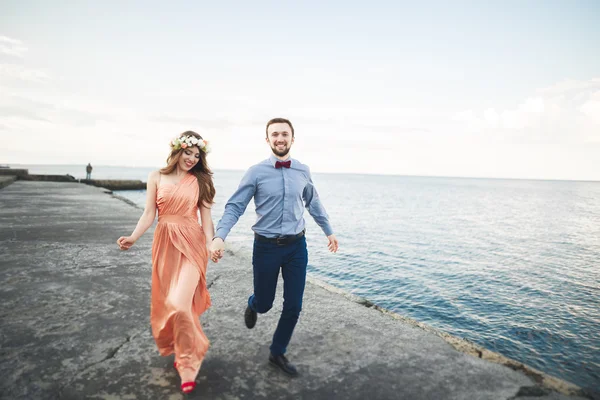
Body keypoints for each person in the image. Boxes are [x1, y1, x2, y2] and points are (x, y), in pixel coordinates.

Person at [210, 117, 339, 377]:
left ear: (292, 138)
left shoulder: (303, 170)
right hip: (266, 247)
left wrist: (329, 231)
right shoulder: (255, 172)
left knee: (294, 305)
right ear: (267, 140)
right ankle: (254, 303)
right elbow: (235, 206)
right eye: (274, 134)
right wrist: (219, 236)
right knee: (266, 303)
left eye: (284, 134)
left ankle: (277, 351)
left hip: (296, 247)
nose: (280, 138)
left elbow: (313, 203)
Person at [117, 131, 217, 394]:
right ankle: (184, 350)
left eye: (197, 155)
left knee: (179, 303)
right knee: (170, 304)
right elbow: (149, 213)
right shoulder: (156, 177)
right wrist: (133, 237)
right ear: (177, 151)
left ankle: (187, 362)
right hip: (165, 245)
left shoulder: (202, 181)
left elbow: (206, 221)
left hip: (193, 244)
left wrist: (212, 244)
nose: (192, 159)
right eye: (188, 153)